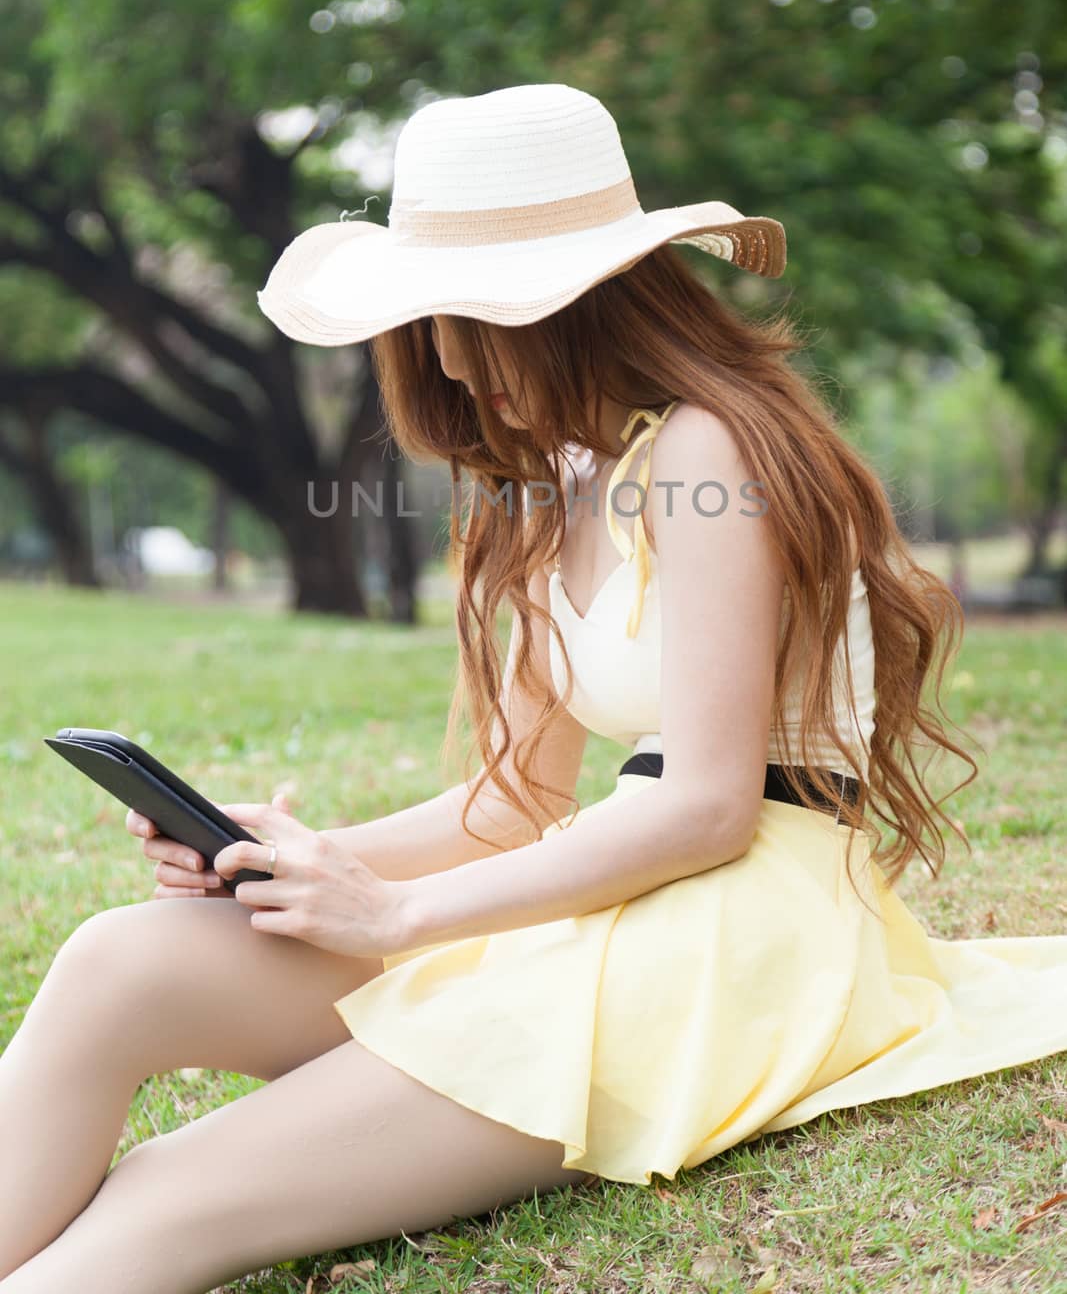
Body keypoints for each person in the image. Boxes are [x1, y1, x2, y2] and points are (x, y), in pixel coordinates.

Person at [2, 84, 1065, 1293]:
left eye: (471, 320)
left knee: (164, 1198)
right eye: (434, 322)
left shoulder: (713, 449)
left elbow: (708, 805)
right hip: (599, 886)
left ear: (579, 304)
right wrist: (301, 856)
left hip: (733, 925)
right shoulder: (551, 481)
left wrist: (397, 919)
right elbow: (506, 806)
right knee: (112, 961)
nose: (451, 359)